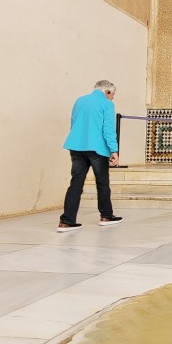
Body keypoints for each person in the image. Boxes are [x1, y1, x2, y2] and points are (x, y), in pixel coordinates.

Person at [58, 80, 122, 232]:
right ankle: (106, 216)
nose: (113, 98)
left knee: (76, 183)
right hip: (96, 149)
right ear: (107, 91)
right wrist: (114, 150)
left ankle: (66, 221)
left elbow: (74, 123)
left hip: (76, 146)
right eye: (113, 94)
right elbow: (108, 130)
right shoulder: (107, 104)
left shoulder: (80, 100)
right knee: (102, 182)